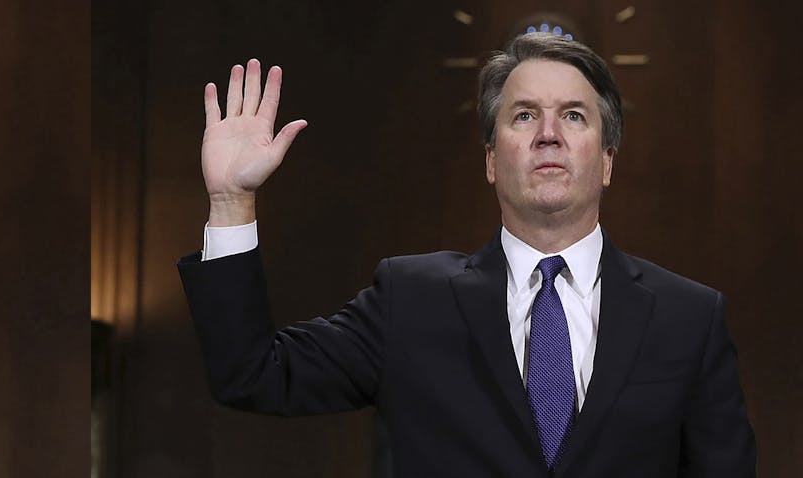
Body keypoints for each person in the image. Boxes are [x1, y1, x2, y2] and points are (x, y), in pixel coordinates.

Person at [178, 30, 756, 476]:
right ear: (489, 159)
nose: (548, 134)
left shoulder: (689, 318)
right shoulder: (410, 300)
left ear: (607, 161)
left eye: (573, 116)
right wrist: (231, 201)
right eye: (524, 114)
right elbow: (253, 373)